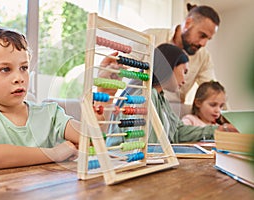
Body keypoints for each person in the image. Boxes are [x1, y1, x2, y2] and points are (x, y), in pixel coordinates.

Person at [0, 25, 81, 171]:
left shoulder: (50, 113)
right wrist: (53, 154)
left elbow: (91, 137)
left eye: (23, 68)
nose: (19, 78)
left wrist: (100, 106)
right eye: (5, 69)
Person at [98, 43, 235, 146]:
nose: (185, 79)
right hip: (124, 164)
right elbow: (148, 147)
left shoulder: (160, 97)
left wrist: (219, 129)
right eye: (184, 71)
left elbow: (178, 131)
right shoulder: (143, 95)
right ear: (170, 66)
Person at [142, 3, 220, 104]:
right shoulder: (150, 37)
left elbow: (213, 91)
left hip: (174, 111)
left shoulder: (203, 57)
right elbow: (120, 67)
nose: (203, 44)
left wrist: (227, 116)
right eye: (202, 35)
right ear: (188, 23)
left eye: (208, 39)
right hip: (142, 106)